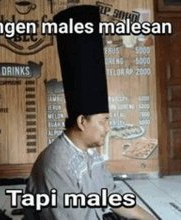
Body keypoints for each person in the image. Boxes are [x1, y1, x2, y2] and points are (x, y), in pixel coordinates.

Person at [24, 5, 156, 220]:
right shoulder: (57, 164)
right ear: (82, 122)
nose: (108, 128)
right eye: (104, 121)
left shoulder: (89, 151)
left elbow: (111, 195)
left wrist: (150, 218)